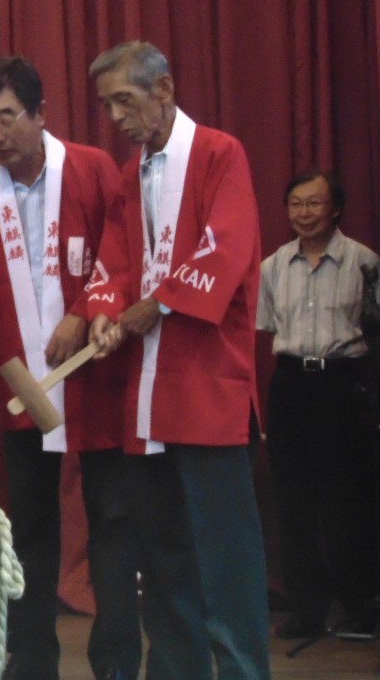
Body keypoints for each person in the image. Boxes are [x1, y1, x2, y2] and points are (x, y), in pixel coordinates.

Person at [0, 56, 138, 680]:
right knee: (28, 522)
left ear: (40, 114)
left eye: (7, 117)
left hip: (95, 371)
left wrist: (86, 309)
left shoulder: (91, 168)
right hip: (24, 385)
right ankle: (31, 659)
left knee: (111, 519)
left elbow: (124, 247)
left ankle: (115, 659)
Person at [86, 40, 270, 679]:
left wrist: (154, 305)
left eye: (125, 101)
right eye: (108, 105)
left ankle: (244, 671)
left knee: (225, 559)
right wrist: (106, 310)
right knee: (161, 561)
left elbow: (227, 248)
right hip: (146, 396)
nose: (117, 117)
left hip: (206, 388)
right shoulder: (129, 171)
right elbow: (110, 260)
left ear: (163, 89)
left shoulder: (220, 154)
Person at [257, 172, 379, 640]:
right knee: (293, 499)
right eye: (295, 205)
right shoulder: (272, 266)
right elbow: (267, 326)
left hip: (343, 384)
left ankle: (358, 605)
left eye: (314, 204)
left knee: (347, 497)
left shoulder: (365, 263)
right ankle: (306, 608)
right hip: (290, 385)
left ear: (336, 210)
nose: (304, 214)